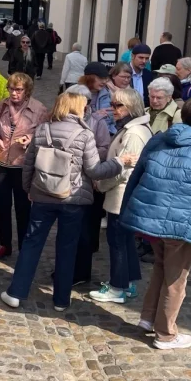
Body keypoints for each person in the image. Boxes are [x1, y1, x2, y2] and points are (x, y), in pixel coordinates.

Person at [0, 92, 134, 311]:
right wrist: (119, 162)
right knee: (67, 248)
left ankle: (16, 292)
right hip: (73, 199)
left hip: (42, 196)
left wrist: (29, 190)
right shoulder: (85, 134)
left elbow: (29, 165)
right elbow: (94, 170)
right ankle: (61, 299)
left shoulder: (43, 129)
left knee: (32, 245)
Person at [120, 98, 191, 349]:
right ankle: (166, 334)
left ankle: (148, 318)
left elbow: (136, 178)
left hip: (153, 221)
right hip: (182, 225)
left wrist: (129, 213)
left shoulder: (159, 140)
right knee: (176, 279)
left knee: (161, 267)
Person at [89, 88, 151, 303]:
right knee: (124, 241)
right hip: (123, 193)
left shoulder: (133, 133)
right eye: (113, 105)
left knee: (117, 241)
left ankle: (118, 287)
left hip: (121, 195)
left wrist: (101, 183)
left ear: (131, 107)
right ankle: (129, 283)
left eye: (119, 106)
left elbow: (123, 169)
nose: (114, 109)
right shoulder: (133, 128)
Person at [0, 73, 48, 260]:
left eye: (18, 90)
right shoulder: (3, 105)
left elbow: (46, 136)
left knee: (23, 208)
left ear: (27, 91)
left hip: (23, 166)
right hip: (1, 162)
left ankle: (24, 245)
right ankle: (4, 244)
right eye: (11, 89)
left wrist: (30, 140)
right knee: (2, 206)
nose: (14, 93)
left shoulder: (39, 109)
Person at [65, 84, 112, 286]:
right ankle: (67, 267)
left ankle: (81, 272)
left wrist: (86, 154)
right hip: (66, 180)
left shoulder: (97, 122)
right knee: (69, 228)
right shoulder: (62, 118)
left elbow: (104, 148)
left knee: (85, 230)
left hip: (89, 180)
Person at [80, 62, 115, 135]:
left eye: (106, 78)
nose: (104, 81)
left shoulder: (105, 92)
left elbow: (109, 118)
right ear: (89, 78)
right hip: (83, 135)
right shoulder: (77, 94)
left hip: (104, 134)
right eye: (101, 78)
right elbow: (72, 119)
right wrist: (94, 115)